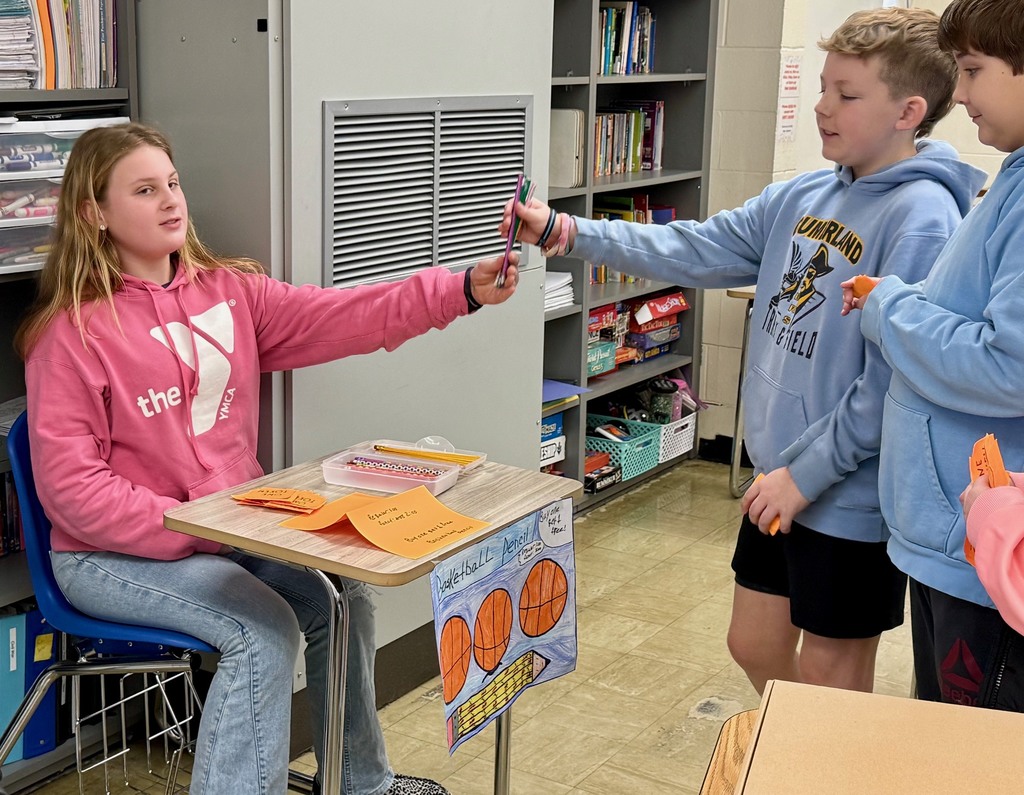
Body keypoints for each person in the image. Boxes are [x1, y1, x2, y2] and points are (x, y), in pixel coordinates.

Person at [13, 122, 520, 795]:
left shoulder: (230, 293)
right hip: (107, 557)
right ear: (94, 213)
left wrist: (459, 291)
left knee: (343, 598)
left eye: (172, 183)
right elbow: (74, 492)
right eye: (144, 190)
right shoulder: (69, 335)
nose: (170, 200)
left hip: (225, 529)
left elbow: (342, 315)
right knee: (263, 630)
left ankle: (361, 784)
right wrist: (199, 524)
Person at [503, 7, 985, 695]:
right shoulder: (805, 193)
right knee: (752, 641)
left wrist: (806, 474)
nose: (822, 107)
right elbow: (694, 247)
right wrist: (565, 231)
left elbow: (891, 384)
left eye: (847, 94)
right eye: (823, 87)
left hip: (848, 495)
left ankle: (816, 751)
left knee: (830, 672)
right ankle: (798, 744)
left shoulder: (924, 217)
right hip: (780, 476)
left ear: (908, 112)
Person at [841, 0, 1024, 710]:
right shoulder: (1012, 176)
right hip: (962, 538)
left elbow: (1009, 365)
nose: (962, 92)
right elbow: (970, 307)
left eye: (974, 70)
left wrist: (890, 310)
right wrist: (901, 298)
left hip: (987, 556)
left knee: (969, 747)